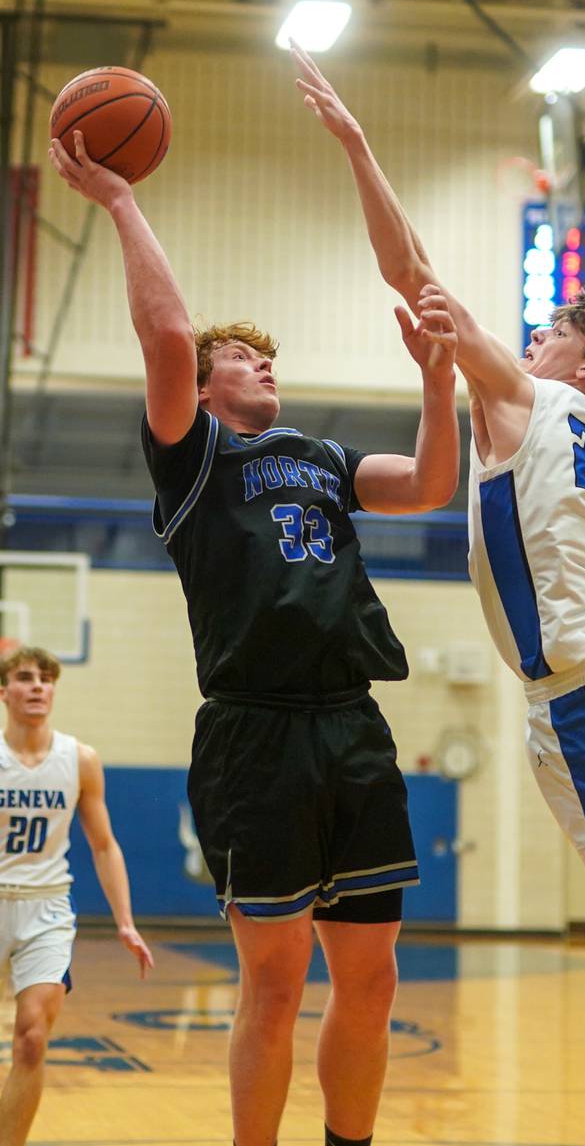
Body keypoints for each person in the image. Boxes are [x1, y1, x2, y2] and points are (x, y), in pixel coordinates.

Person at [290, 44, 585, 1146]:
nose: (531, 338)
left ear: (583, 366)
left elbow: (407, 270)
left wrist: (357, 144)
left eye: (550, 333)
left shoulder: (533, 407)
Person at [48, 131, 459, 1146]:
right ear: (205, 382)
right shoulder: (194, 461)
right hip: (254, 736)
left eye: (268, 355)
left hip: (350, 727)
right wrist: (117, 201)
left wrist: (437, 380)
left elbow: (428, 484)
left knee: (371, 975)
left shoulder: (318, 455)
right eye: (241, 355)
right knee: (272, 984)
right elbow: (167, 334)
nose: (261, 361)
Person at [0, 645, 153, 1146]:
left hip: (46, 907)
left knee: (31, 1039)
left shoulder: (79, 759)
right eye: (25, 677)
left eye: (47, 678)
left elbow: (104, 845)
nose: (39, 686)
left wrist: (125, 921)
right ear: (5, 692)